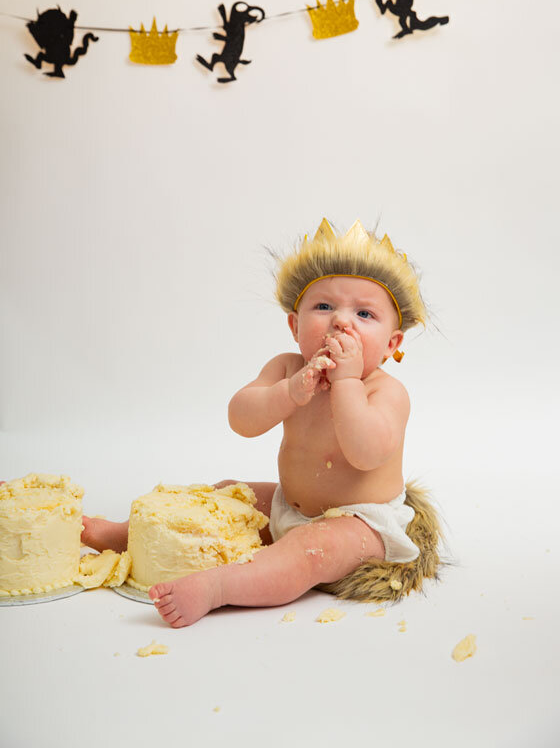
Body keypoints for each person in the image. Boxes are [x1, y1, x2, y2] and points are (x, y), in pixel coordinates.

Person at [83, 219, 428, 627]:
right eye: (323, 307)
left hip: (360, 523)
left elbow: (365, 452)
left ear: (392, 344)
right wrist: (288, 394)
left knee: (305, 550)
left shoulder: (383, 392)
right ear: (294, 325)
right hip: (289, 503)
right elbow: (240, 418)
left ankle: (218, 588)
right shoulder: (287, 368)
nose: (341, 322)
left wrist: (347, 382)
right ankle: (125, 534)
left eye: (365, 313)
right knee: (229, 494)